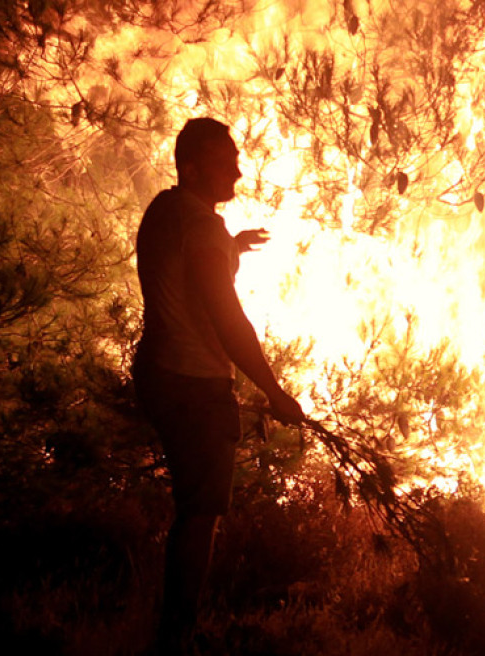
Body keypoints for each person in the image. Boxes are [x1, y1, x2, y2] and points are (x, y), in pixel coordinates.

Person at [132, 117, 307, 652]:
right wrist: (273, 392)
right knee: (200, 514)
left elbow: (187, 263)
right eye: (225, 158)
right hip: (194, 384)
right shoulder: (201, 227)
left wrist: (230, 245)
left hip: (159, 374)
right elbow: (225, 316)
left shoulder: (166, 210)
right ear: (193, 165)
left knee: (193, 508)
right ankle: (177, 637)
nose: (237, 166)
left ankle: (174, 631)